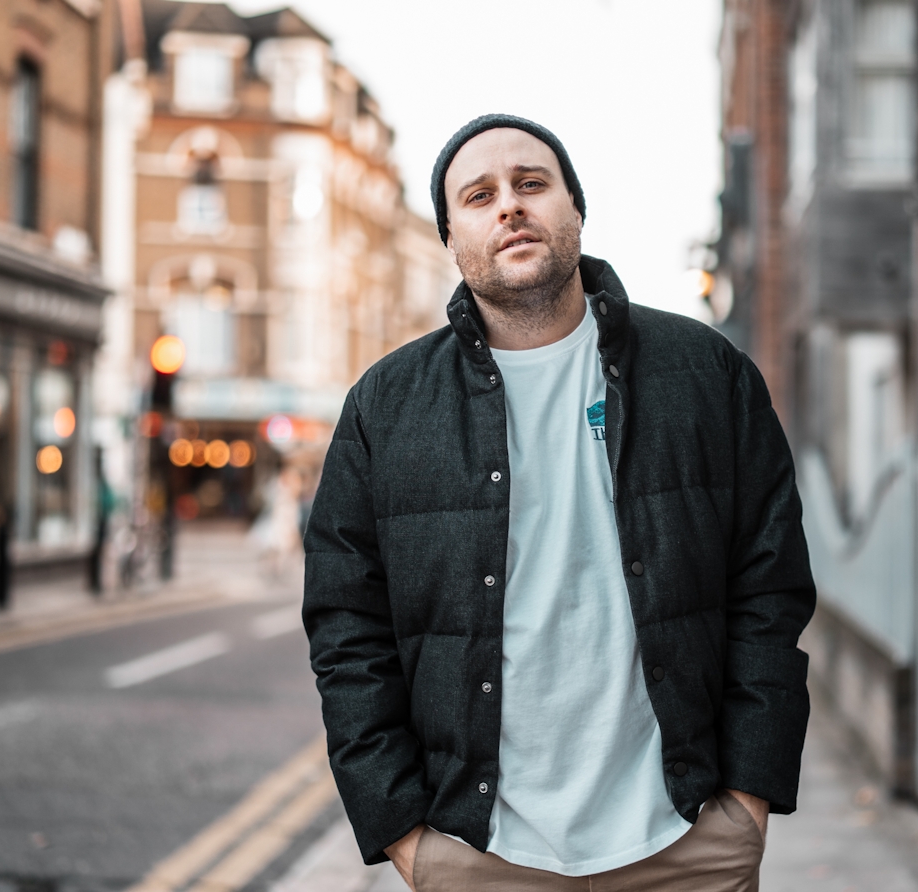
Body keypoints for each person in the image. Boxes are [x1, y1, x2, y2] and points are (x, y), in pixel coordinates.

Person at [303, 114, 816, 891]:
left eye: (531, 184)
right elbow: (346, 628)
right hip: (481, 852)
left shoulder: (706, 374)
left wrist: (748, 801)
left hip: (685, 842)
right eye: (479, 196)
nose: (509, 206)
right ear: (451, 239)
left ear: (576, 208)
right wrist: (404, 834)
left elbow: (769, 589)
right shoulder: (386, 407)